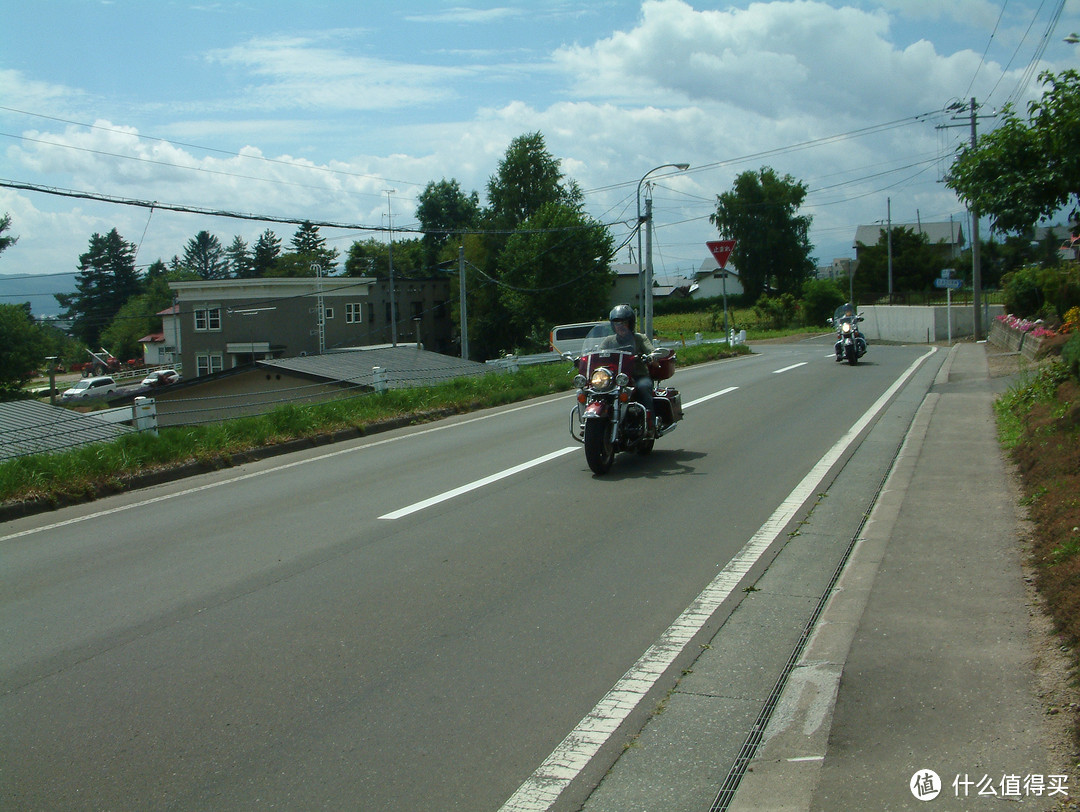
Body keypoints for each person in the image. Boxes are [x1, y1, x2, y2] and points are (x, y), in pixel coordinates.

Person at [600, 304, 657, 433]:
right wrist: (583, 359)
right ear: (612, 325)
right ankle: (593, 423)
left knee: (644, 388)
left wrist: (651, 356)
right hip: (614, 379)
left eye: (623, 323)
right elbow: (598, 354)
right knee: (594, 391)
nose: (620, 326)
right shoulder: (609, 341)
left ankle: (650, 424)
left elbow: (651, 351)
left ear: (630, 324)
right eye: (617, 323)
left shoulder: (639, 338)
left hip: (638, 376)